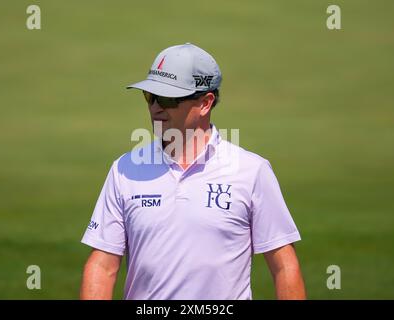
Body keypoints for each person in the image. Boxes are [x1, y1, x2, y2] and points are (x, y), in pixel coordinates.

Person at [80, 43, 306, 300]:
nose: (155, 107)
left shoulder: (251, 171)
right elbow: (102, 266)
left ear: (205, 103)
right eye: (149, 97)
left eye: (167, 99)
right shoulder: (125, 169)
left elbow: (284, 266)